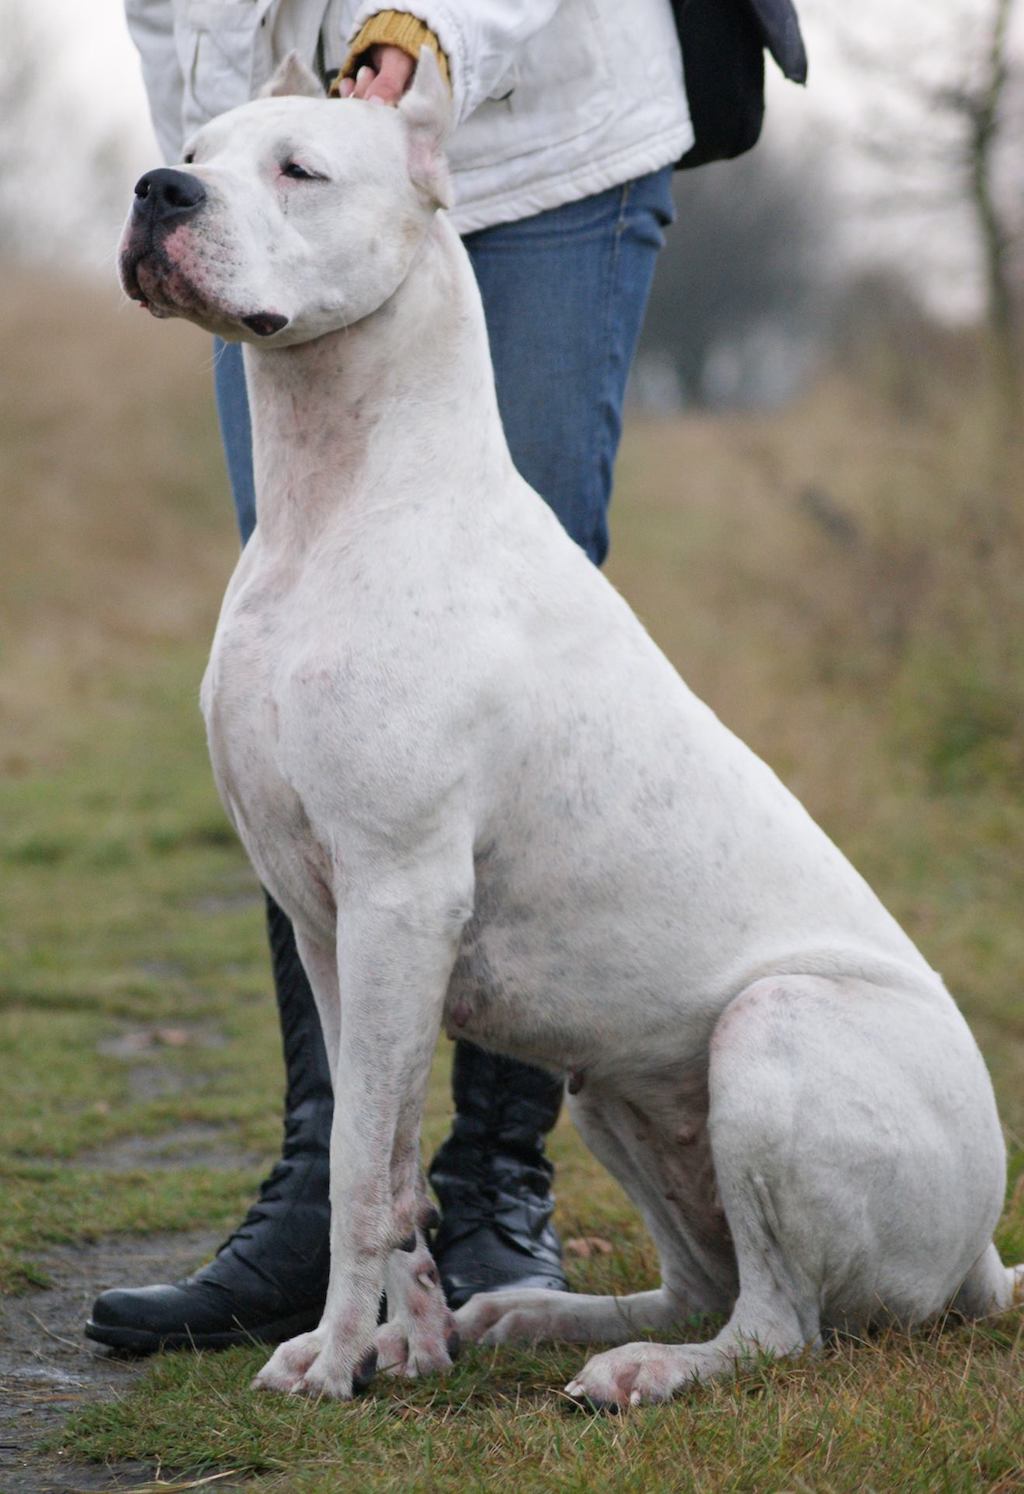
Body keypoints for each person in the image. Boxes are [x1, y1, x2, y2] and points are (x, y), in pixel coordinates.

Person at [88, 0, 800, 1355]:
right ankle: (337, 1195)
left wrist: (428, 42)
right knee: (324, 716)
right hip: (311, 167)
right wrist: (232, 152)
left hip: (547, 136)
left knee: (476, 659)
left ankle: (492, 1183)